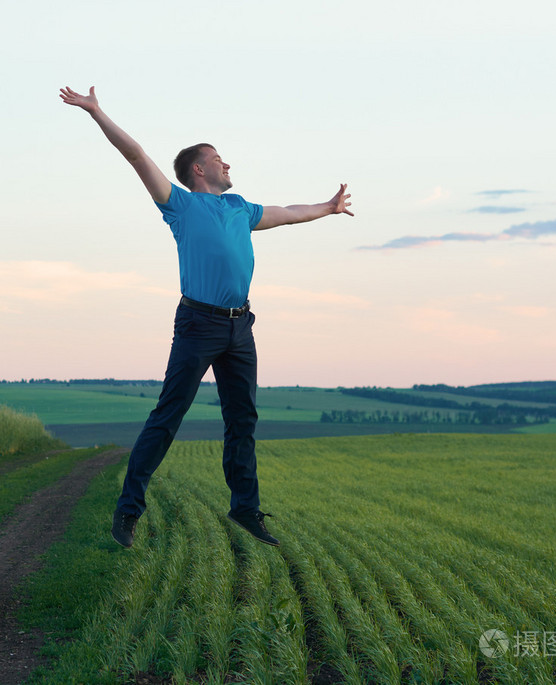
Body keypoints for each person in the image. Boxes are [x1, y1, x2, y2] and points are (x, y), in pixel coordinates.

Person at [60, 86, 353, 549]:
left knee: (243, 421)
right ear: (199, 169)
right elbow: (135, 155)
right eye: (219, 158)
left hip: (241, 327)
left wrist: (328, 207)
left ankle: (245, 509)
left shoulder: (240, 208)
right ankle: (128, 509)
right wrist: (97, 112)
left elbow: (289, 213)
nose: (228, 163)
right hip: (199, 324)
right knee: (168, 416)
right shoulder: (179, 204)